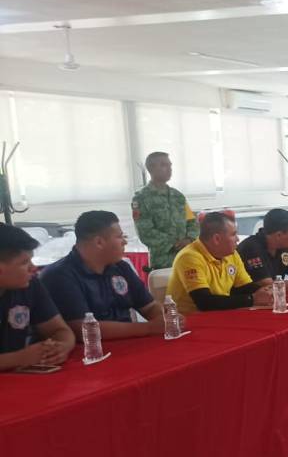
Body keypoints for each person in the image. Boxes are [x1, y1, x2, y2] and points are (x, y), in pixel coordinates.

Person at [40, 210, 169, 340]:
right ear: (99, 242)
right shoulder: (59, 276)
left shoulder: (121, 267)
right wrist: (149, 328)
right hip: (90, 349)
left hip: (130, 343)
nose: (124, 242)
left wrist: (164, 319)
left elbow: (149, 306)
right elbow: (82, 329)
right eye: (120, 237)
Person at [0, 225, 74, 371]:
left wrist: (61, 348)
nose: (33, 268)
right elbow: (20, 358)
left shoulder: (30, 284)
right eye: (24, 262)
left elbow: (59, 330)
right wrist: (17, 358)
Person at [167, 212, 271, 315]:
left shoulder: (231, 254)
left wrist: (267, 291)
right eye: (233, 234)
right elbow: (204, 302)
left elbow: (244, 287)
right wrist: (252, 299)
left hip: (218, 315)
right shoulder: (189, 257)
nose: (237, 239)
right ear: (217, 239)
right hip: (188, 320)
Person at [132, 152, 199, 270]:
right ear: (151, 168)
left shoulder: (178, 196)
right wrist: (175, 244)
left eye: (170, 165)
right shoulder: (141, 198)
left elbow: (192, 221)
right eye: (164, 165)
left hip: (186, 258)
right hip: (163, 262)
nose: (169, 169)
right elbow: (145, 231)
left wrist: (189, 239)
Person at [235, 209, 288, 292]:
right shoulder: (251, 248)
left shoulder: (285, 245)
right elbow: (269, 285)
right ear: (278, 235)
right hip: (248, 297)